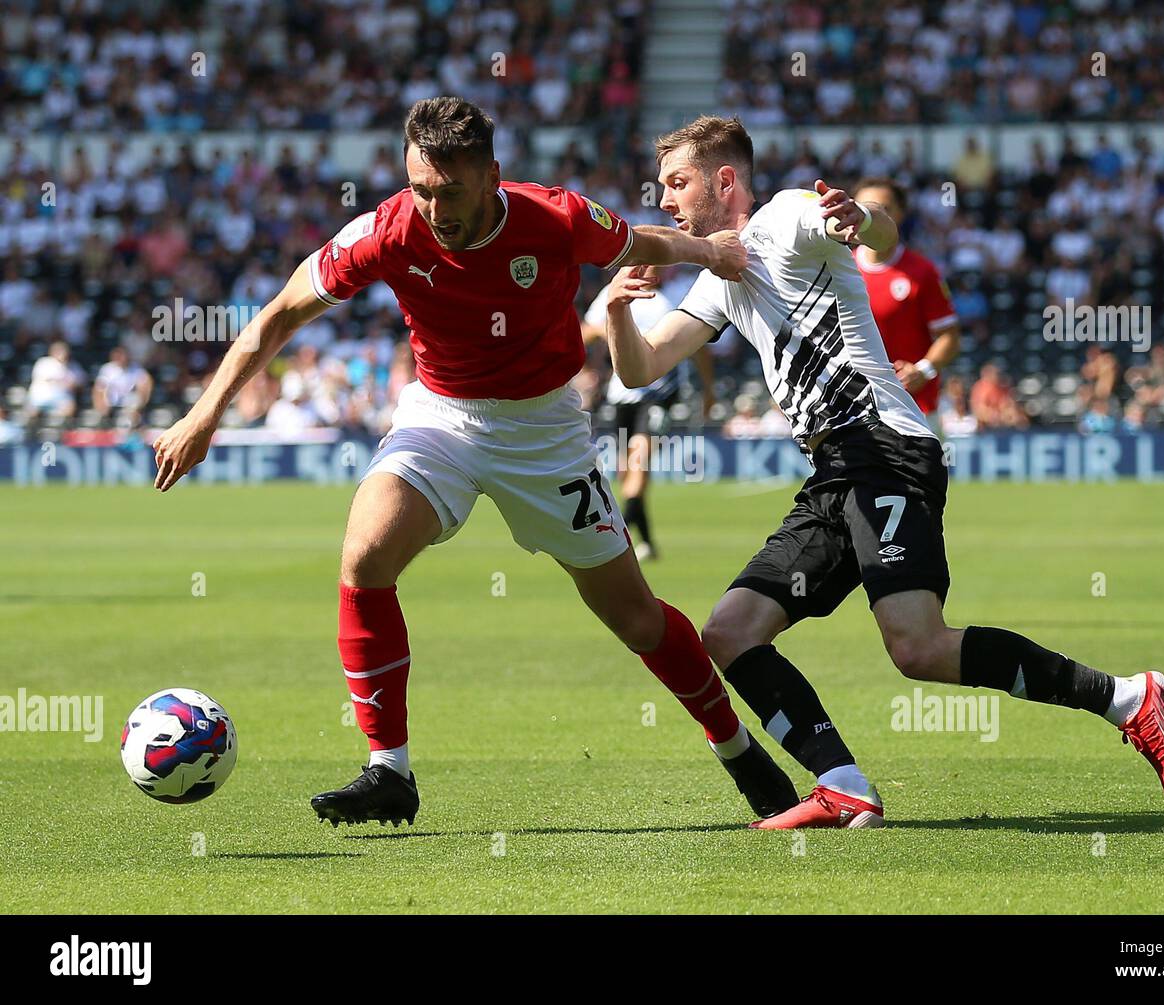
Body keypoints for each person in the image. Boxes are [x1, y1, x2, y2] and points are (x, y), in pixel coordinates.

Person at [152, 97, 797, 829]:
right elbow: (277, 315)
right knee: (365, 556)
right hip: (442, 415)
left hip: (544, 430)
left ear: (491, 175)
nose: (433, 207)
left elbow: (640, 243)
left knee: (636, 618)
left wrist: (712, 252)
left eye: (450, 191)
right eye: (421, 187)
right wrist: (204, 414)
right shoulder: (386, 231)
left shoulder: (556, 216)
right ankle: (388, 768)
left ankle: (738, 748)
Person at [606, 114, 1164, 829]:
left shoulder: (787, 217)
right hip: (834, 469)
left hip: (883, 446)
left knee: (916, 645)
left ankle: (1129, 698)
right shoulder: (722, 273)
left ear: (724, 180)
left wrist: (863, 216)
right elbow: (640, 367)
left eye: (678, 182)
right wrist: (615, 311)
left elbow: (877, 232)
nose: (665, 199)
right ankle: (843, 783)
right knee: (730, 631)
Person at [578, 266, 713, 560]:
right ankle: (647, 544)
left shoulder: (665, 304)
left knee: (638, 465)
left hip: (657, 395)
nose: (646, 270)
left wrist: (708, 389)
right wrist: (606, 327)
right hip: (619, 396)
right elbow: (584, 331)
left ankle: (618, 538)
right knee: (629, 475)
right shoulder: (612, 297)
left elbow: (698, 347)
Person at [850, 178, 960, 431]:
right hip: (855, 411)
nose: (874, 216)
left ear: (899, 215)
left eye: (884, 209)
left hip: (914, 409)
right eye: (865, 208)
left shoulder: (922, 271)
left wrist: (923, 370)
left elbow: (950, 337)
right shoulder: (840, 269)